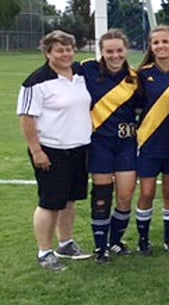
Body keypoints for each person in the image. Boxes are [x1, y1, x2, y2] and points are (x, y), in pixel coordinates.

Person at [18, 30, 93, 271]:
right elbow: (27, 118)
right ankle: (44, 252)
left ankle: (66, 243)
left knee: (70, 201)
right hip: (51, 150)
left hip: (79, 148)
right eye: (59, 50)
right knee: (50, 203)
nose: (66, 54)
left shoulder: (80, 73)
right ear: (48, 52)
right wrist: (37, 151)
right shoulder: (36, 82)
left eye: (69, 48)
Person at [79, 29, 139, 263]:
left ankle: (115, 241)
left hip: (126, 144)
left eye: (119, 50)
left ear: (126, 50)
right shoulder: (87, 69)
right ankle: (100, 246)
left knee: (125, 196)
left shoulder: (135, 78)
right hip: (100, 144)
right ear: (102, 52)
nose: (115, 55)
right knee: (102, 196)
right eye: (109, 51)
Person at [135, 25, 169, 256]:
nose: (160, 46)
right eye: (156, 43)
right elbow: (135, 107)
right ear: (151, 46)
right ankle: (143, 239)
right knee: (147, 192)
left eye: (164, 42)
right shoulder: (142, 74)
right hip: (148, 142)